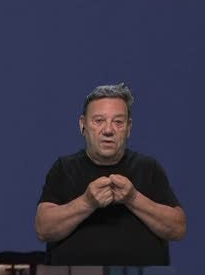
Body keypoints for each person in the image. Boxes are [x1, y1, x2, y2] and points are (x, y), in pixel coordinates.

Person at [35, 83, 186, 265]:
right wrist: (87, 202)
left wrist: (133, 198)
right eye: (99, 121)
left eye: (118, 122)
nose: (108, 130)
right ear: (83, 125)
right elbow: (43, 229)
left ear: (128, 127)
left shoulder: (149, 168)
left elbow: (178, 228)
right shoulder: (64, 168)